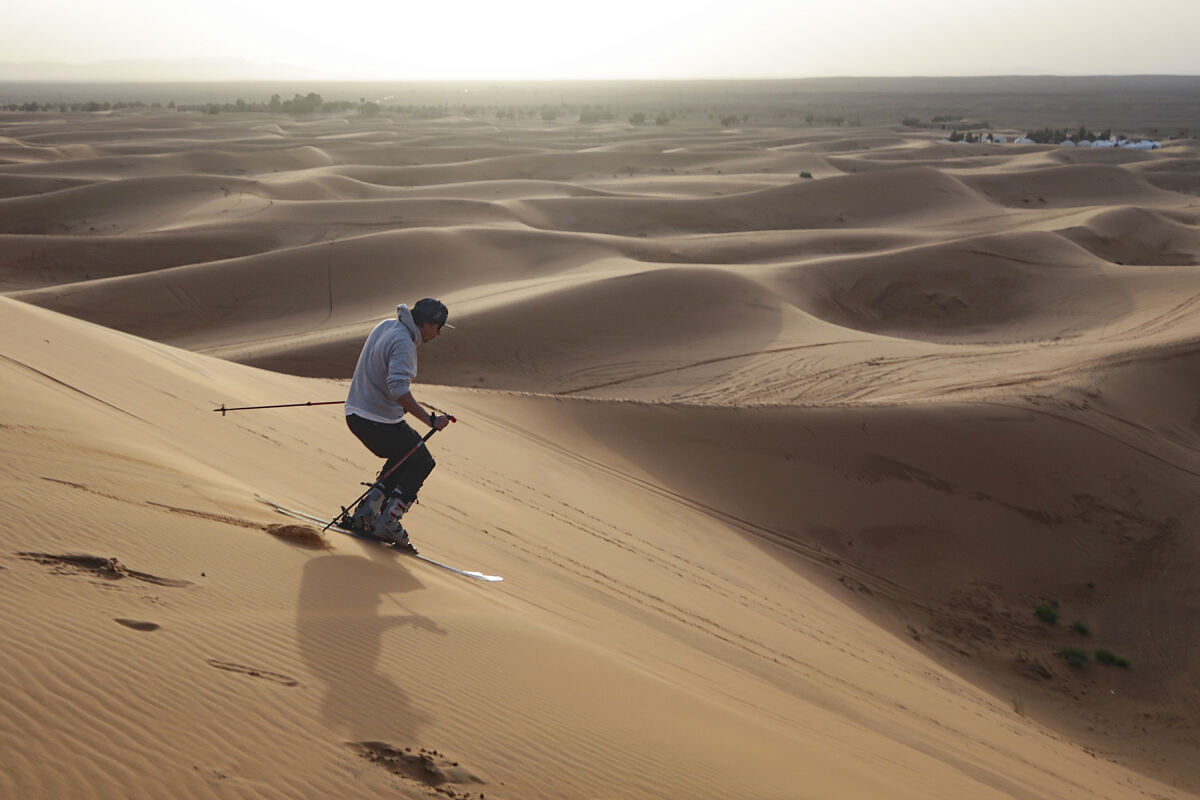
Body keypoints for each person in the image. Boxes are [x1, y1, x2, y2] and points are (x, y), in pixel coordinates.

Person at [342, 298, 452, 548]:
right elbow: (398, 389)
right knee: (423, 460)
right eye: (439, 326)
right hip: (376, 421)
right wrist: (430, 420)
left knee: (405, 454)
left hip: (357, 414)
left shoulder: (386, 326)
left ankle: (366, 514)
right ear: (425, 324)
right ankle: (387, 523)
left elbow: (380, 373)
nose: (439, 333)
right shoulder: (404, 343)